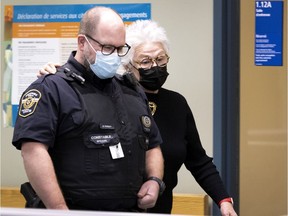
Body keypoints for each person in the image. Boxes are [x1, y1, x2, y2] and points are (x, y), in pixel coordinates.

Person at [38, 20, 238, 216]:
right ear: (127, 64)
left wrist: (223, 200)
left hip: (159, 207)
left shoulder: (177, 103)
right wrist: (58, 74)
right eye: (145, 61)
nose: (155, 66)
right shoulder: (110, 97)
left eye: (161, 59)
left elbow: (198, 160)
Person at [12, 7, 165, 212]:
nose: (115, 56)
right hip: (74, 209)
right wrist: (59, 209)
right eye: (107, 47)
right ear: (82, 42)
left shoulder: (132, 91)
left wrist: (155, 180)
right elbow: (32, 151)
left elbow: (152, 144)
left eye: (120, 49)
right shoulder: (51, 88)